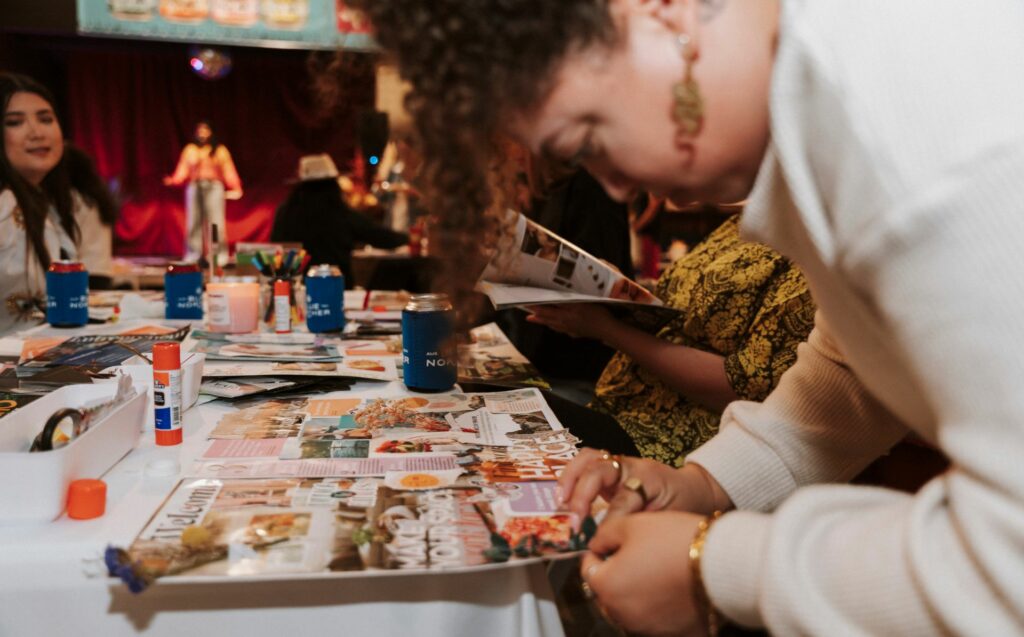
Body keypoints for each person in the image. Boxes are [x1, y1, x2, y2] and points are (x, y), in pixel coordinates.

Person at [355, 0, 1024, 634]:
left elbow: (1008, 567)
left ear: (663, 11)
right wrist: (697, 483)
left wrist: (718, 566)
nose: (616, 187)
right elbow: (847, 371)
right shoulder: (824, 117)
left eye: (588, 136)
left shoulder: (914, 132)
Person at [528, 207, 814, 467]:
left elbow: (741, 388)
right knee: (496, 396)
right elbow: (681, 308)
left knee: (498, 401)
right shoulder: (749, 218)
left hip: (666, 441)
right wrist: (616, 290)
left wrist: (606, 329)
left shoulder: (810, 256)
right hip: (621, 408)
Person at [0, 73, 80, 336]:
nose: (36, 132)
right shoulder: (5, 204)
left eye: (46, 119)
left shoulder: (45, 202)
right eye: (15, 122)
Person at [270, 154, 408, 287]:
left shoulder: (285, 213)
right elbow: (379, 236)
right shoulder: (339, 213)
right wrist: (410, 239)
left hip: (296, 288)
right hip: (337, 287)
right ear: (333, 184)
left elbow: (276, 246)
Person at [164, 120, 242, 262]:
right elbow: (183, 169)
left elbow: (228, 170)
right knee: (194, 222)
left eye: (206, 130)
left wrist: (235, 186)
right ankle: (193, 254)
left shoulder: (219, 150)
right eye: (200, 131)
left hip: (214, 187)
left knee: (216, 222)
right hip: (195, 187)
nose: (203, 134)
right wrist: (175, 180)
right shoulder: (191, 150)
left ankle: (218, 255)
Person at [64, 143, 119, 289]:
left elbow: (70, 243)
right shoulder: (97, 199)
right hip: (103, 272)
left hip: (82, 273)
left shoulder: (73, 199)